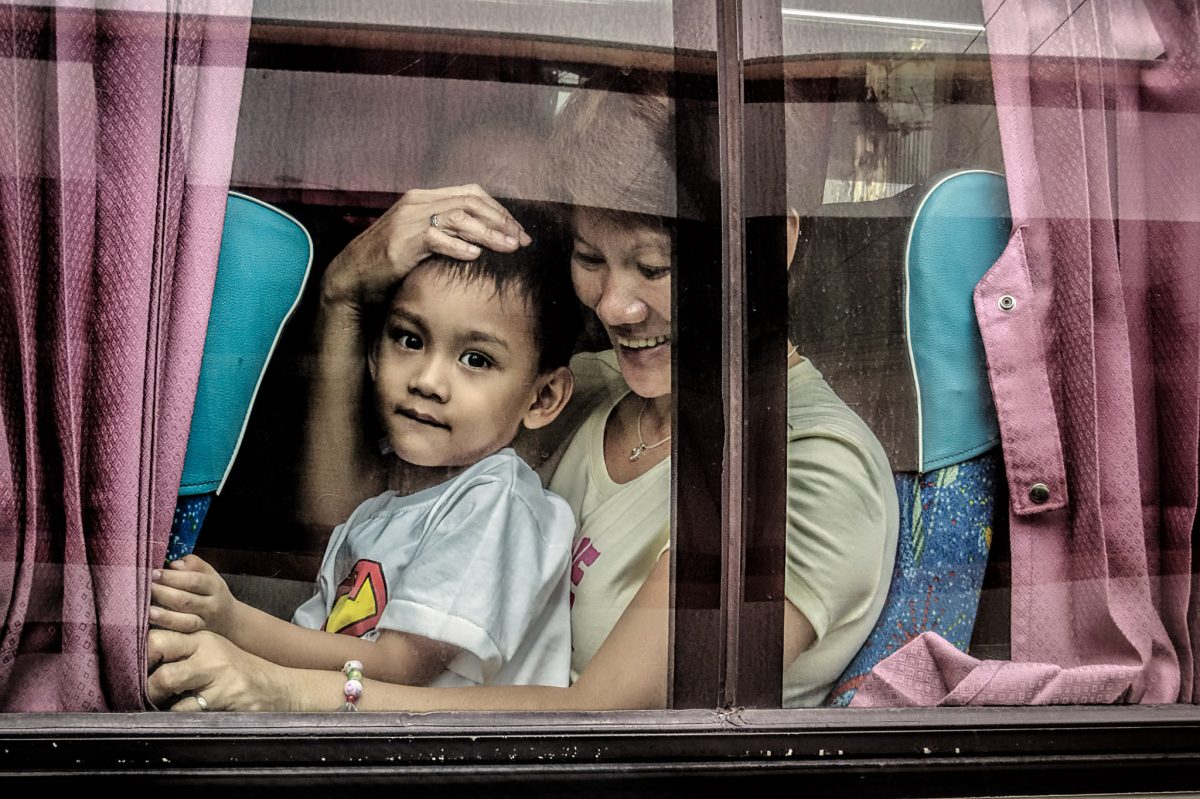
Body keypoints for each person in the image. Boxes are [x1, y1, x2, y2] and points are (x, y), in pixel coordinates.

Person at [147, 75, 898, 712]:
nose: (613, 307)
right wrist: (346, 292)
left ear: (771, 247)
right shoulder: (597, 392)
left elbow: (588, 713)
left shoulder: (805, 466)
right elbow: (363, 530)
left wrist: (289, 688)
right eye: (589, 257)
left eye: (654, 268)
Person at [148, 223, 583, 695]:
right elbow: (323, 645)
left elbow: (398, 666)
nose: (428, 381)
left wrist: (233, 621)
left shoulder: (497, 502)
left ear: (542, 398)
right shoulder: (384, 507)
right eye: (410, 340)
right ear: (374, 353)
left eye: (476, 359)